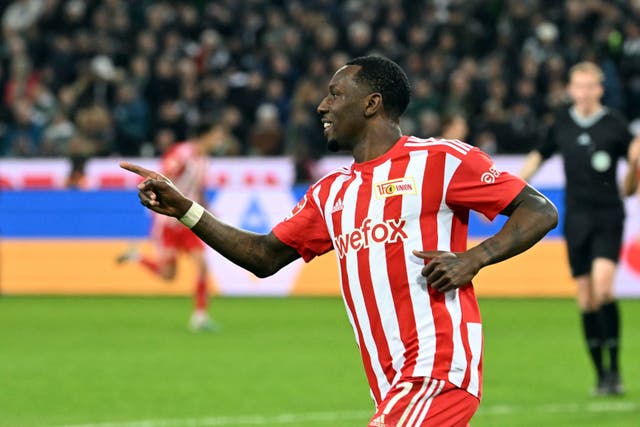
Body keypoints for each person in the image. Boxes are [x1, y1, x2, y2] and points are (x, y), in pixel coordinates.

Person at [121, 56, 557, 426]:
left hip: (436, 369)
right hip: (389, 385)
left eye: (335, 94)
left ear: (372, 104)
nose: (321, 105)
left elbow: (539, 210)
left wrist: (474, 257)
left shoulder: (440, 161)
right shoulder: (332, 193)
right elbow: (262, 256)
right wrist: (186, 210)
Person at [519, 61, 640, 396]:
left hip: (608, 216)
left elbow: (631, 186)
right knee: (585, 299)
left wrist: (634, 166)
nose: (584, 92)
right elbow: (537, 157)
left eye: (591, 86)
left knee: (603, 289)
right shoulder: (561, 124)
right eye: (579, 85)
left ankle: (615, 370)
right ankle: (601, 374)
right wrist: (509, 188)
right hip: (576, 219)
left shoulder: (615, 125)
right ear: (570, 89)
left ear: (600, 89)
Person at [117, 121, 222, 332]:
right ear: (207, 135)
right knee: (168, 275)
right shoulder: (182, 154)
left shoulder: (204, 160)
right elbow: (163, 176)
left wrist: (210, 212)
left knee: (202, 265)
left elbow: (198, 191)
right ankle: (136, 257)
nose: (219, 140)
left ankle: (200, 317)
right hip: (167, 221)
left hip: (189, 220)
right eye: (217, 135)